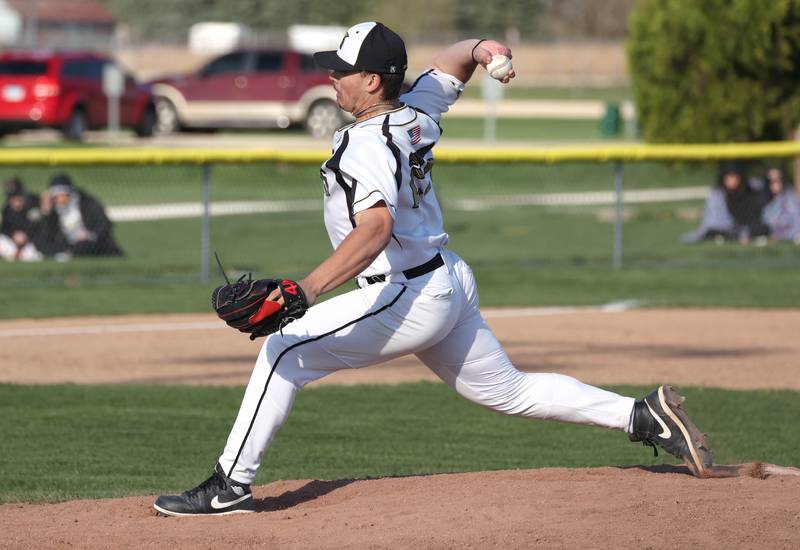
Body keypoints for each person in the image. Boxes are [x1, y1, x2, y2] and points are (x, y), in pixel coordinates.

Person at [154, 22, 714, 517]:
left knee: (282, 352)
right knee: (507, 391)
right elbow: (453, 64)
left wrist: (305, 289)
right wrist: (480, 46)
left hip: (407, 292)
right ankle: (642, 416)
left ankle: (230, 485)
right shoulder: (415, 111)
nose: (333, 79)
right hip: (444, 277)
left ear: (373, 80)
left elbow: (373, 231)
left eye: (343, 72)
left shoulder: (364, 141)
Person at [682, 163, 770, 244]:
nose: (731, 181)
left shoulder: (748, 192)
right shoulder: (718, 194)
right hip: (726, 229)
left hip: (746, 227)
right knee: (712, 231)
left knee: (761, 229)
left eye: (734, 177)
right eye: (728, 177)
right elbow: (713, 221)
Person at [40, 173, 123, 258]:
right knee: (42, 244)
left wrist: (90, 235)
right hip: (67, 245)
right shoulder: (53, 211)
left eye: (62, 194)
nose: (60, 199)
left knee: (84, 246)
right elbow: (47, 234)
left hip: (91, 243)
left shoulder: (87, 202)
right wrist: (46, 213)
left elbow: (105, 224)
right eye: (56, 196)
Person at [0, 177, 45, 262]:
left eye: (17, 196)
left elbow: (42, 227)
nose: (15, 200)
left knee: (36, 253)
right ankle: (16, 256)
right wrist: (13, 235)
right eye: (12, 198)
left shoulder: (33, 202)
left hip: (31, 243)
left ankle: (17, 256)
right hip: (13, 243)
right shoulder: (7, 210)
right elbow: (4, 229)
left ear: (23, 194)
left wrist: (26, 235)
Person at [762, 166, 800, 244]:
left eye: (777, 180)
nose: (774, 184)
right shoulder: (765, 199)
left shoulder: (791, 199)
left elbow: (797, 226)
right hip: (769, 238)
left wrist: (779, 237)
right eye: (770, 181)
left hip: (790, 239)